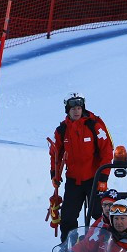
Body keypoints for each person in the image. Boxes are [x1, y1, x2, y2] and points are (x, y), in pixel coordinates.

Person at [50, 93, 114, 241]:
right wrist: (55, 175)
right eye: (73, 109)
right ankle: (69, 249)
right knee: (67, 217)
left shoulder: (94, 125)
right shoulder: (61, 130)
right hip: (73, 180)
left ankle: (104, 247)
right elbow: (55, 155)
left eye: (79, 108)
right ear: (67, 110)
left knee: (100, 214)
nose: (76, 111)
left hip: (95, 179)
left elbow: (107, 151)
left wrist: (103, 177)